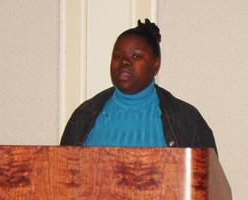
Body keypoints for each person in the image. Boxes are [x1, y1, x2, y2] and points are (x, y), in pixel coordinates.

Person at [60, 19, 217, 154]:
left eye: (136, 56)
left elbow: (208, 182)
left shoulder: (185, 119)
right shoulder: (84, 115)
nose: (124, 62)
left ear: (156, 64)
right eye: (118, 56)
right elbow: (62, 176)